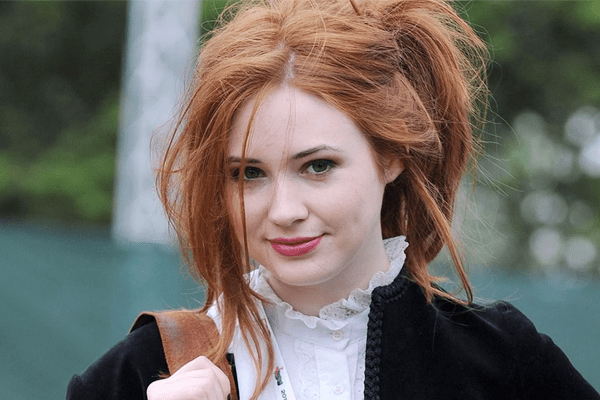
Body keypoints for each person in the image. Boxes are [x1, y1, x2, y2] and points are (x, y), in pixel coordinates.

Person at [67, 0, 599, 399]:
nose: (283, 211)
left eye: (317, 166)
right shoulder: (141, 375)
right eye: (249, 173)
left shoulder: (499, 359)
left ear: (390, 156)